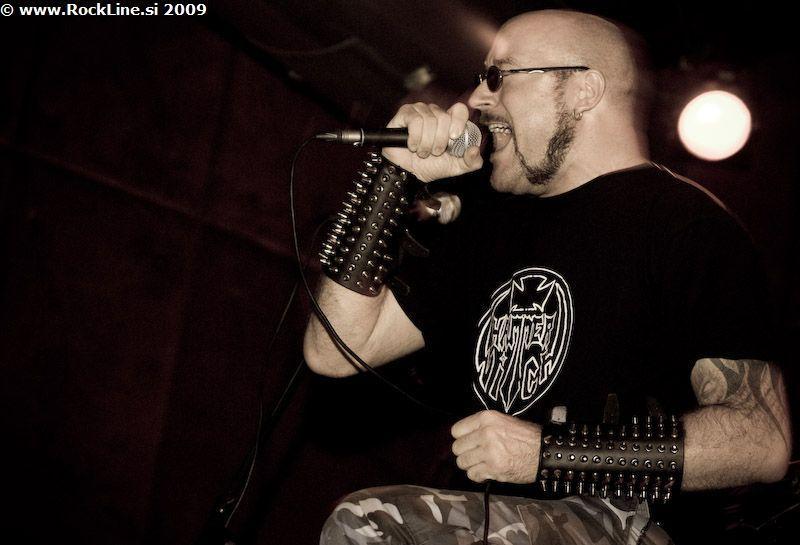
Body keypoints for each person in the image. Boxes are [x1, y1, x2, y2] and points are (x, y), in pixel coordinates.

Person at [303, 9, 791, 545]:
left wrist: (545, 454)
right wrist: (392, 177)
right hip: (498, 519)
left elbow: (762, 440)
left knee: (368, 523)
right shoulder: (489, 227)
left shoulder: (684, 224)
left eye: (498, 76)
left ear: (583, 89)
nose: (477, 98)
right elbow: (335, 350)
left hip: (635, 524)